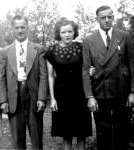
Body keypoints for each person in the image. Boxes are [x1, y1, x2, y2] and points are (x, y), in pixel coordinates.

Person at [82, 5, 134, 150]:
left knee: (122, 132)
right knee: (103, 133)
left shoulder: (124, 36)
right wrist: (89, 96)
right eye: (103, 17)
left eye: (110, 17)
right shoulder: (89, 40)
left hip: (122, 91)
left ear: (113, 17)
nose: (107, 20)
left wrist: (133, 91)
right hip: (100, 91)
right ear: (97, 19)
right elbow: (85, 70)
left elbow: (132, 65)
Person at [0, 14, 48, 149]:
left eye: (23, 27)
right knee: (17, 137)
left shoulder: (38, 49)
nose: (20, 30)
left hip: (33, 94)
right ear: (12, 29)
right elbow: (1, 78)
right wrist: (3, 100)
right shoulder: (5, 51)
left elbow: (43, 75)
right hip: (14, 96)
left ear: (27, 28)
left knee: (36, 135)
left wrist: (42, 98)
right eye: (17, 27)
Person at [44, 18, 92, 150]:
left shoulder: (81, 47)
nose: (67, 35)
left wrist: (91, 71)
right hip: (62, 95)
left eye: (70, 31)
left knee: (82, 134)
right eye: (63, 32)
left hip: (80, 94)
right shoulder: (51, 51)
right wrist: (52, 99)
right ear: (58, 33)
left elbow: (88, 68)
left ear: (74, 32)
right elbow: (50, 76)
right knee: (66, 134)